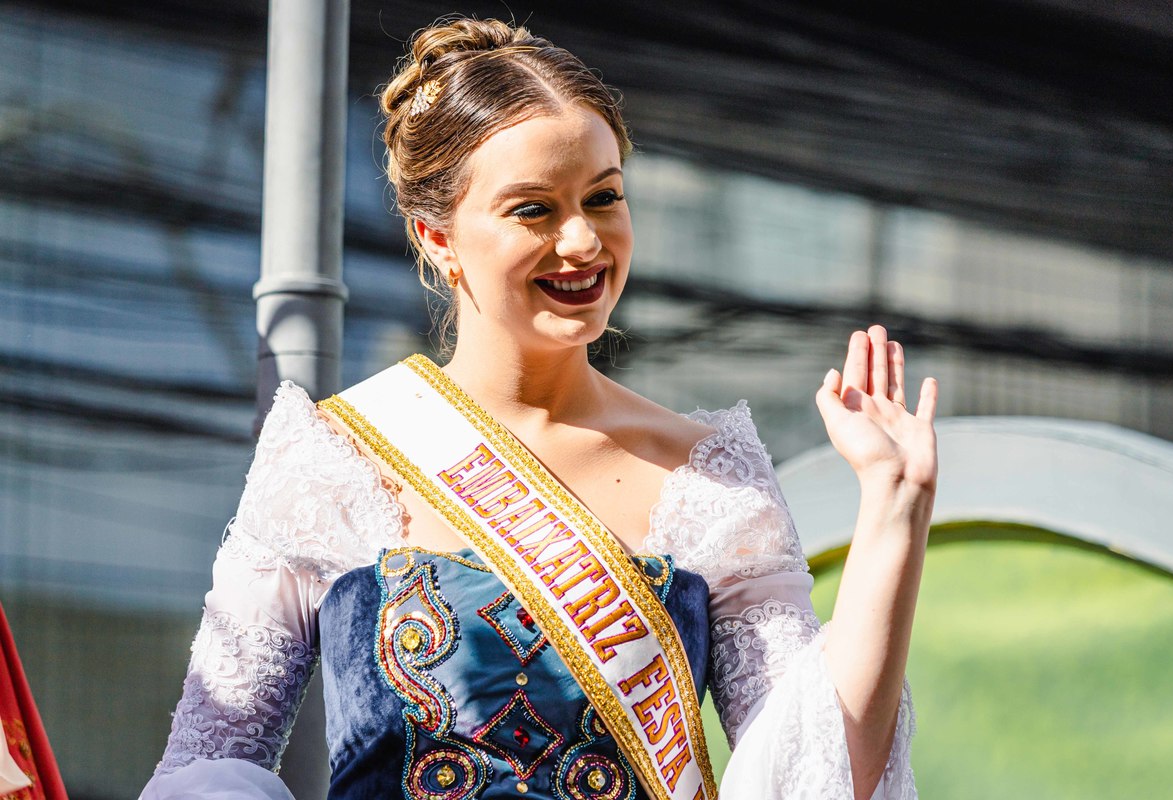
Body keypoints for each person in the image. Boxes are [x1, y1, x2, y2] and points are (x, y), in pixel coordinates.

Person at [141, 17, 936, 800]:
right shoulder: (329, 459)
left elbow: (822, 775)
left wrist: (894, 506)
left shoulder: (709, 478)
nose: (583, 242)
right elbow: (206, 766)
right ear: (437, 238)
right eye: (534, 210)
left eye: (604, 198)